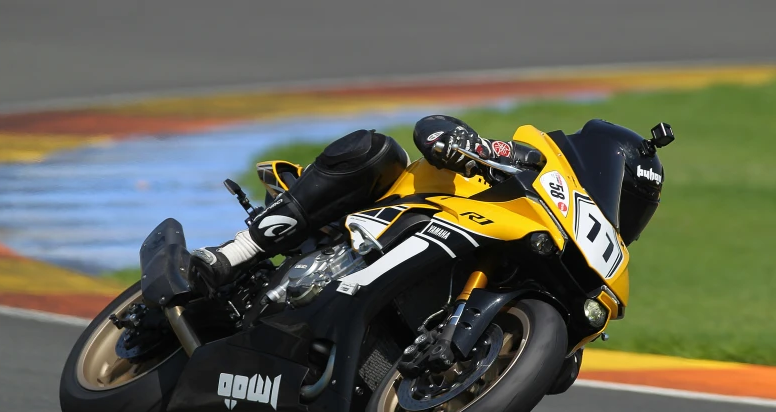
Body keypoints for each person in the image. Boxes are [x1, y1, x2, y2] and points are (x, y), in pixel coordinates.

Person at [188, 115, 667, 295]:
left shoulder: (578, 261)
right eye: (629, 199)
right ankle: (238, 251)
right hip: (393, 214)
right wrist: (463, 145)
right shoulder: (535, 165)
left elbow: (557, 377)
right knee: (374, 151)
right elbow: (434, 128)